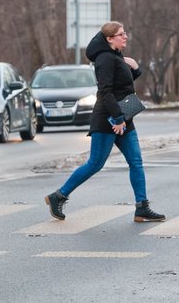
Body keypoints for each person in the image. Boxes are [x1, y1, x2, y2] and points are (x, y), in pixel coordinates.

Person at [45, 21, 165, 223]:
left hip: (123, 118)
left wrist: (135, 69)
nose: (125, 36)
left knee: (136, 162)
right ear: (110, 39)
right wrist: (117, 119)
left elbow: (122, 84)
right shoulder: (105, 59)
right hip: (107, 119)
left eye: (125, 33)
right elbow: (106, 91)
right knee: (95, 164)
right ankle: (59, 196)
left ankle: (142, 207)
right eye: (121, 34)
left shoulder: (116, 56)